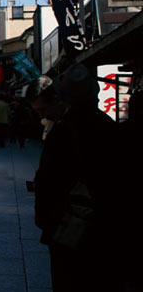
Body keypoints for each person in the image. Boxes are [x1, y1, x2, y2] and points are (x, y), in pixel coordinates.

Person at [27, 67, 119, 292]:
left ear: (62, 99)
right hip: (104, 231)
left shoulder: (64, 133)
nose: (43, 117)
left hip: (69, 230)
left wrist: (47, 221)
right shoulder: (108, 126)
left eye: (44, 110)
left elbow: (50, 184)